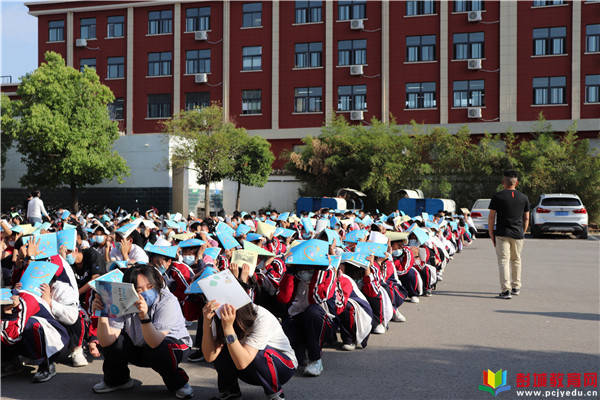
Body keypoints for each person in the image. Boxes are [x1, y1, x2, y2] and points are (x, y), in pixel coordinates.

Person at [92, 264, 193, 398]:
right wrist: (103, 314)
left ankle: (178, 383)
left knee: (161, 349)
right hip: (142, 346)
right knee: (116, 341)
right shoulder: (123, 300)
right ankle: (118, 380)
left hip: (172, 347)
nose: (145, 292)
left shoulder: (167, 301)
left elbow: (155, 341)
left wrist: (144, 316)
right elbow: (106, 342)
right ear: (129, 291)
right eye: (139, 290)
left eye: (150, 287)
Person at [202, 302, 297, 400]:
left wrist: (228, 328)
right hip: (249, 370)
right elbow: (210, 356)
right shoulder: (220, 315)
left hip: (282, 367)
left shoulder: (261, 316)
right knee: (224, 344)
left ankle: (276, 394)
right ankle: (230, 392)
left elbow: (242, 363)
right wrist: (206, 321)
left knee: (259, 352)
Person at [488, 170, 530, 299]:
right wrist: (522, 232)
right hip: (517, 234)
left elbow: (491, 217)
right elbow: (526, 218)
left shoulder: (497, 196)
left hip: (502, 233)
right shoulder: (523, 198)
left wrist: (491, 234)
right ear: (516, 183)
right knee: (516, 260)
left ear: (503, 183)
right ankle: (516, 287)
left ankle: (506, 290)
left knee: (503, 261)